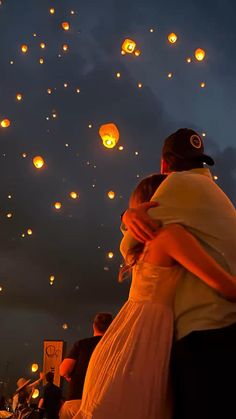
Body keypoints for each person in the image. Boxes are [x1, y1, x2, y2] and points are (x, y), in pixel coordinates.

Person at [73, 173, 236, 419]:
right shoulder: (171, 236)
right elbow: (226, 286)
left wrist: (128, 217)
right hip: (143, 343)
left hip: (121, 341)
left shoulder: (142, 246)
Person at [121, 128, 236, 418]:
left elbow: (128, 246)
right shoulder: (219, 197)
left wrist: (128, 217)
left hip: (202, 336)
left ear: (164, 165)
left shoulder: (175, 186)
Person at [59, 313, 113, 419]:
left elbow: (63, 370)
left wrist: (68, 375)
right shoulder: (115, 348)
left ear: (94, 326)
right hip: (103, 404)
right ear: (112, 326)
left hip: (77, 401)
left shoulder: (82, 344)